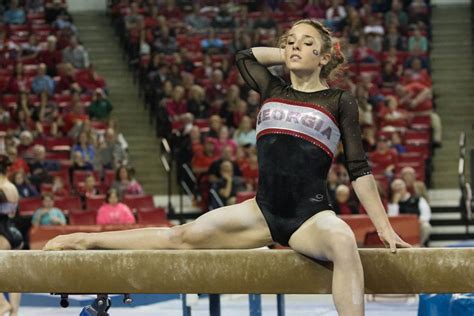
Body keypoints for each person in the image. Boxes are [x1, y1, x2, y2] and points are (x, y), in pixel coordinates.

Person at [43, 19, 410, 316]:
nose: (295, 46)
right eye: (290, 41)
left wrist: (383, 226)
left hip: (310, 216)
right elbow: (244, 56)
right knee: (179, 237)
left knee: (344, 243)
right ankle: (85, 240)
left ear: (324, 54)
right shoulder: (272, 88)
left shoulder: (338, 100)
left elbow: (359, 169)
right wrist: (287, 52)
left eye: (305, 41)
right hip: (262, 212)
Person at [0, 155, 22, 316]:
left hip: (2, 234)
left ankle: (2, 304)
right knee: (14, 274)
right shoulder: (12, 186)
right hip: (15, 233)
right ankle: (14, 312)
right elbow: (12, 213)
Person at [388, 179, 431, 246]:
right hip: (400, 226)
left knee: (426, 226)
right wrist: (395, 203)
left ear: (405, 187)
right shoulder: (391, 202)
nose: (398, 187)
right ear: (393, 189)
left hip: (416, 224)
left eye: (400, 185)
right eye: (395, 186)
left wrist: (420, 220)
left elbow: (426, 213)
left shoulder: (417, 199)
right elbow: (392, 218)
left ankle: (419, 245)